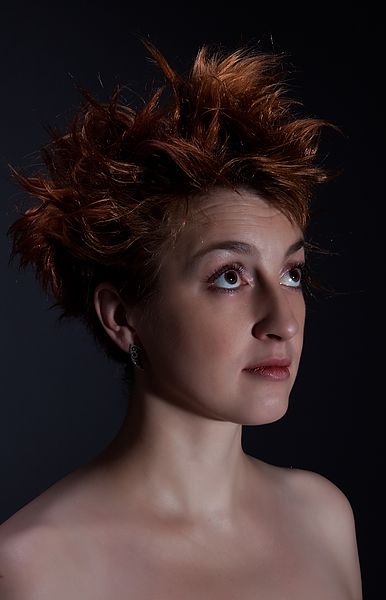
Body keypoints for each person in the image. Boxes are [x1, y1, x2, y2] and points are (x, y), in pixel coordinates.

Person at [0, 40, 362, 599]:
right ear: (122, 316)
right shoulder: (31, 569)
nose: (282, 322)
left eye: (291, 274)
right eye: (228, 276)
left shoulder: (324, 518)